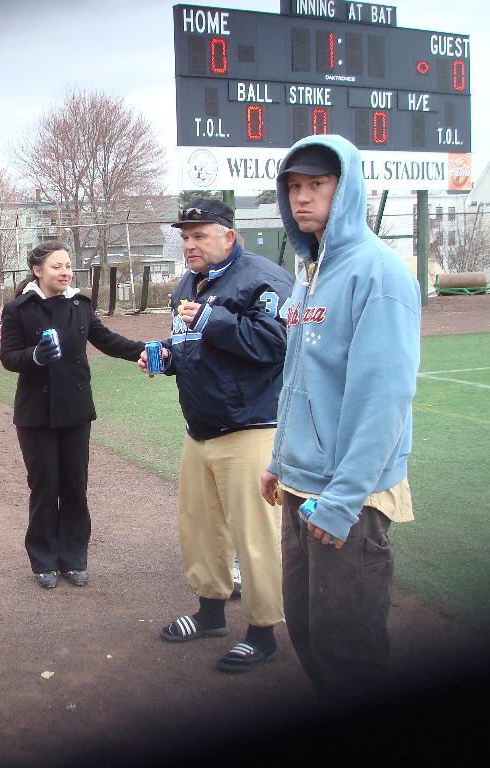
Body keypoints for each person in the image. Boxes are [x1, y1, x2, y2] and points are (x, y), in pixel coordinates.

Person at [260, 136, 420, 705]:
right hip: (302, 485)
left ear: (345, 188)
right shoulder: (310, 269)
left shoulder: (378, 272)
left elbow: (384, 398)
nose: (302, 198)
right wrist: (281, 459)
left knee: (348, 649)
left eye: (317, 185)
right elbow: (300, 375)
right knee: (306, 629)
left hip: (348, 500)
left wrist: (345, 496)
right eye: (294, 187)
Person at [141, 198, 293, 673]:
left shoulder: (264, 277)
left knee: (255, 537)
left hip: (251, 428)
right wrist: (166, 356)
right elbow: (193, 344)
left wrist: (214, 321)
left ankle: (264, 633)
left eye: (199, 235)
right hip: (201, 428)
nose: (189, 244)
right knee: (201, 529)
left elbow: (277, 343)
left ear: (228, 235)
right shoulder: (189, 282)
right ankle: (210, 615)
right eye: (185, 236)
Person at [0, 241, 145, 588]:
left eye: (68, 266)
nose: (65, 272)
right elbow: (9, 357)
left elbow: (107, 340)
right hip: (36, 415)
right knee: (45, 487)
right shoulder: (18, 309)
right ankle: (44, 560)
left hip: (76, 411)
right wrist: (35, 355)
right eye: (57, 266)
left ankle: (73, 558)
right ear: (38, 271)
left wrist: (149, 350)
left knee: (75, 487)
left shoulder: (80, 305)